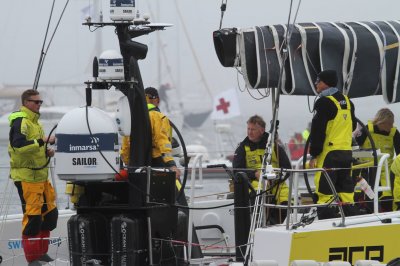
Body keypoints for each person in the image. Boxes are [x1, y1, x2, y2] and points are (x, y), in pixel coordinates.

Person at [8, 89, 58, 265]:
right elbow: (19, 146)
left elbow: (35, 147)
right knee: (33, 218)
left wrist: (46, 151)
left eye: (40, 102)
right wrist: (42, 141)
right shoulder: (21, 120)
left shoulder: (35, 122)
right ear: (26, 102)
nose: (39, 105)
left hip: (41, 177)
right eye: (36, 102)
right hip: (27, 178)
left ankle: (41, 253)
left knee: (50, 216)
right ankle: (32, 259)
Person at [309, 70, 358, 220]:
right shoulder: (348, 101)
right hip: (346, 153)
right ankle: (350, 221)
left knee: (325, 191)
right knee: (345, 190)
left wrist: (314, 154)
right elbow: (353, 124)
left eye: (318, 80)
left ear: (326, 83)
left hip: (329, 154)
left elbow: (318, 130)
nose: (316, 83)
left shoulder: (323, 102)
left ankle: (326, 223)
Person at [232, 115, 290, 224]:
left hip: (276, 181)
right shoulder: (242, 148)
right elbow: (236, 170)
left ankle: (280, 224)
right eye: (248, 129)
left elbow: (287, 167)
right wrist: (254, 174)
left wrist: (276, 175)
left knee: (285, 196)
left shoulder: (274, 146)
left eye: (253, 129)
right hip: (254, 181)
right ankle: (261, 224)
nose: (249, 132)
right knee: (258, 190)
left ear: (262, 130)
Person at [120, 86, 181, 179]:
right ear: (158, 100)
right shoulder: (158, 116)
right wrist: (171, 164)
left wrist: (128, 164)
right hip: (157, 162)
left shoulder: (131, 118)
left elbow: (125, 146)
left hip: (135, 165)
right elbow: (163, 142)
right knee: (176, 188)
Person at [355, 108, 400, 211]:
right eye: (389, 123)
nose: (391, 126)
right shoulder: (366, 130)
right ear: (382, 122)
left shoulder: (394, 133)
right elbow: (355, 145)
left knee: (387, 198)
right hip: (366, 171)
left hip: (386, 173)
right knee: (364, 197)